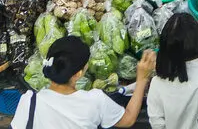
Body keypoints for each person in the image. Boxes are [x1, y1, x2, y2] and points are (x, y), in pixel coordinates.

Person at [11, 37, 154, 129]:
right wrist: (142, 79)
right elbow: (128, 120)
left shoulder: (29, 100)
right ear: (78, 74)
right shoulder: (95, 100)